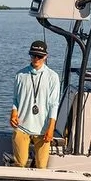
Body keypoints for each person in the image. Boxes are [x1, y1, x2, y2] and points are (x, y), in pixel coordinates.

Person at [9, 40, 61, 169]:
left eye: (39, 56)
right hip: (22, 126)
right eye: (33, 55)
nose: (36, 59)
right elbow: (15, 99)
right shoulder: (20, 75)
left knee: (42, 166)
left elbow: (54, 104)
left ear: (46, 56)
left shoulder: (52, 77)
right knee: (20, 163)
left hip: (43, 129)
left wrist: (51, 128)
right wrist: (14, 113)